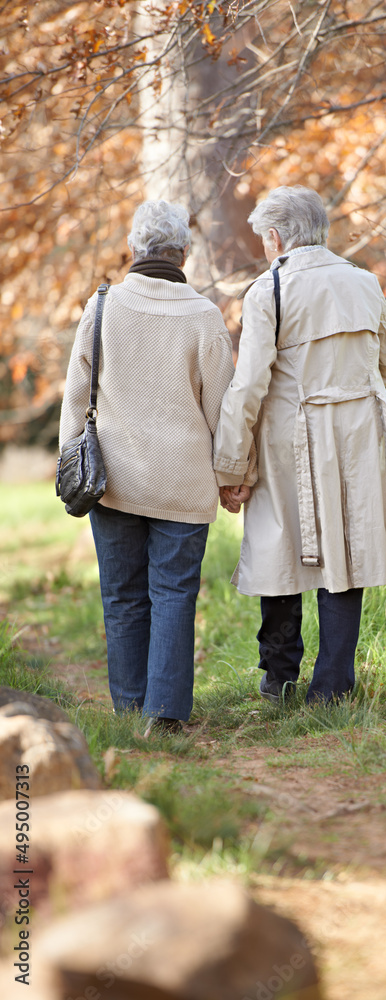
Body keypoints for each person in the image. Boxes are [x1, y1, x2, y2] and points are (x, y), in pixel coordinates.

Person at [214, 185, 386, 705]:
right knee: (347, 554)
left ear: (277, 236)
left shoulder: (269, 291)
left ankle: (279, 680)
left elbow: (249, 385)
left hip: (292, 437)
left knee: (277, 550)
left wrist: (231, 464)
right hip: (360, 434)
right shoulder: (365, 282)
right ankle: (332, 688)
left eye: (265, 237)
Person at [59, 199, 250, 735]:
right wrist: (234, 476)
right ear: (184, 252)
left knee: (122, 596)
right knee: (173, 594)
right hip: (183, 484)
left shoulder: (102, 307)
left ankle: (128, 709)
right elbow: (222, 408)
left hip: (113, 479)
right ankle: (163, 716)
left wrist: (69, 461)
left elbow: (76, 397)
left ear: (133, 249)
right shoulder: (204, 316)